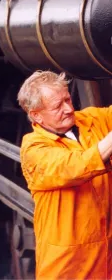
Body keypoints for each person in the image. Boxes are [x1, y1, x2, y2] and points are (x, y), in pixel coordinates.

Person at [17, 70, 112, 279]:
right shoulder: (33, 149)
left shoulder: (90, 120)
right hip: (69, 266)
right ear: (36, 115)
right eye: (57, 106)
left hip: (105, 258)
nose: (69, 109)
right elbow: (76, 166)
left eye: (67, 99)